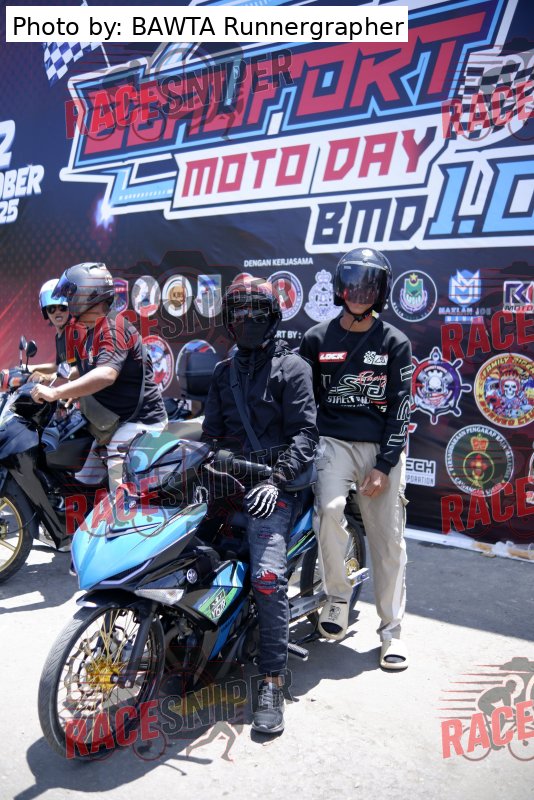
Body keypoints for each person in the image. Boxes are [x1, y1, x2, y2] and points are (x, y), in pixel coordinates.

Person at [202, 278, 318, 734]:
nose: (247, 319)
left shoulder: (293, 368)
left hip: (278, 486)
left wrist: (276, 479)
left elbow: (305, 435)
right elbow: (211, 435)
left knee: (268, 579)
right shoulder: (221, 373)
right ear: (229, 320)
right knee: (183, 555)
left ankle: (272, 680)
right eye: (239, 312)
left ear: (272, 317)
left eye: (256, 312)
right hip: (229, 483)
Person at [299, 248, 412, 670]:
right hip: (333, 443)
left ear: (381, 292)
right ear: (340, 288)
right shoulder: (316, 338)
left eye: (369, 286)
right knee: (329, 511)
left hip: (380, 448)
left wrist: (384, 465)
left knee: (388, 541)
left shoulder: (395, 342)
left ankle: (391, 632)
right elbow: (303, 401)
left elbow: (401, 409)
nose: (360, 293)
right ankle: (337, 598)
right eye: (353, 285)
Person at [30, 262, 167, 494]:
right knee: (84, 484)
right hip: (112, 424)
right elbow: (81, 369)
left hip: (139, 422)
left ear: (86, 294)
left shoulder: (113, 329)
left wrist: (55, 392)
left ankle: (125, 513)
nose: (67, 301)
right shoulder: (89, 329)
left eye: (70, 294)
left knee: (120, 493)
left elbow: (106, 374)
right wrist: (62, 385)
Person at [28, 279, 78, 384]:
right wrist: (31, 368)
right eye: (52, 308)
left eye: (62, 307)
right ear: (45, 312)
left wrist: (48, 377)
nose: (57, 312)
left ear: (69, 308)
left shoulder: (76, 332)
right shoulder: (59, 336)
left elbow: (83, 368)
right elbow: (58, 366)